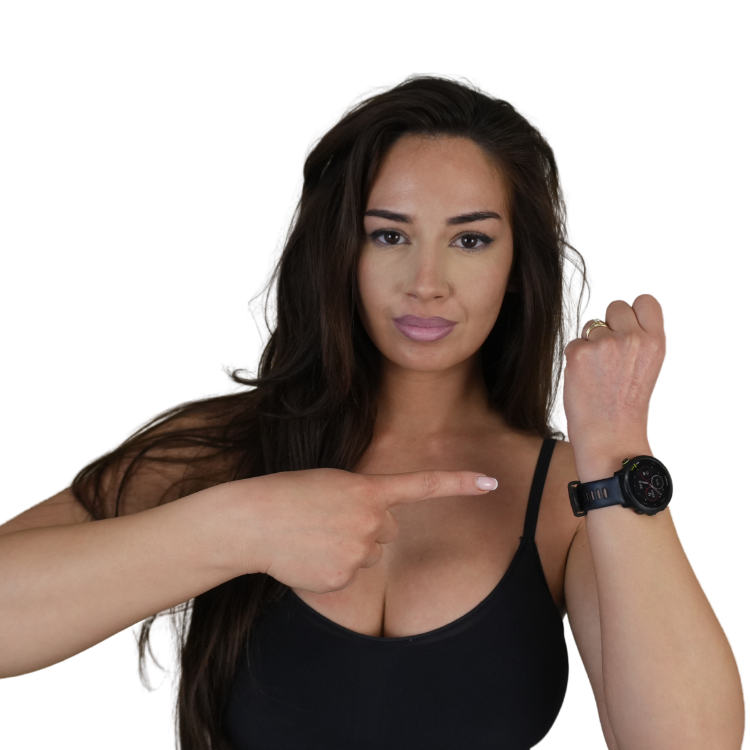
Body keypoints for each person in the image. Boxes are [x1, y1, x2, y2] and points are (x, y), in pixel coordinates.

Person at [0, 74, 744, 750]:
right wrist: (239, 526)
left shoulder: (571, 494)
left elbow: (690, 743)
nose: (427, 282)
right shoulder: (218, 449)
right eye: (390, 234)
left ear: (518, 265)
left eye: (471, 239)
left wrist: (615, 446)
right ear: (341, 252)